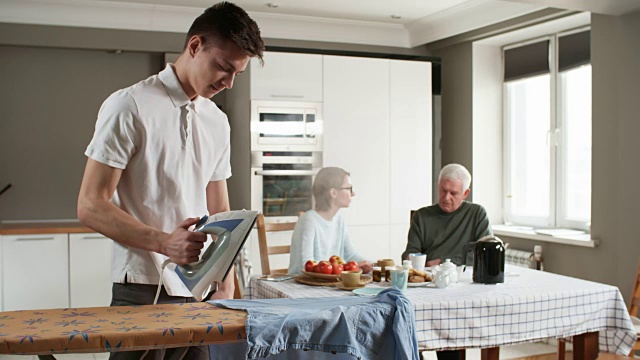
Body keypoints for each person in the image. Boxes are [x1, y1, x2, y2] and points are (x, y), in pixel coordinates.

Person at [77, 2, 264, 359]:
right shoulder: (129, 105)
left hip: (198, 290)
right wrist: (166, 243)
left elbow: (219, 208)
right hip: (142, 288)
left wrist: (224, 276)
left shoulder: (216, 121)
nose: (228, 82)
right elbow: (90, 204)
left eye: (237, 73)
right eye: (223, 67)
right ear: (195, 46)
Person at [402, 163, 492, 267]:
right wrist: (410, 258)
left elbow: (486, 253)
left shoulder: (477, 214)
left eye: (453, 193)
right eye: (443, 190)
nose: (446, 198)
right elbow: (410, 252)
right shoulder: (421, 216)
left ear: (465, 193)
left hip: (465, 275)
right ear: (438, 186)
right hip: (430, 274)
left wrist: (444, 262)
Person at [288, 167, 373, 275]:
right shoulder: (309, 220)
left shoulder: (339, 220)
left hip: (329, 285)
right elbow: (306, 266)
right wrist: (348, 268)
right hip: (301, 286)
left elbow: (350, 255)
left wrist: (375, 265)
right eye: (349, 188)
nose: (353, 193)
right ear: (333, 193)